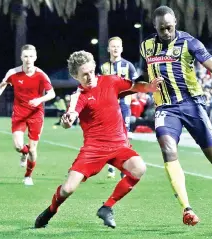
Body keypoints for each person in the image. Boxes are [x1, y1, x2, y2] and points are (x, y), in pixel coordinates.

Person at [139, 6, 212, 226]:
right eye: (161, 28)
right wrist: (137, 87)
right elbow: (147, 74)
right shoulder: (146, 46)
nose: (166, 32)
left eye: (169, 27)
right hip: (165, 107)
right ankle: (187, 209)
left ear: (175, 21)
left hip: (192, 105)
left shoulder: (190, 43)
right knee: (167, 149)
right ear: (154, 27)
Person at [34, 50, 162, 229]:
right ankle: (51, 210)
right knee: (67, 189)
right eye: (84, 75)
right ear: (75, 76)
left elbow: (135, 86)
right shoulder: (79, 96)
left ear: (95, 67)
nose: (89, 77)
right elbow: (71, 115)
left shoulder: (111, 81)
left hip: (119, 146)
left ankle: (107, 207)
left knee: (139, 168)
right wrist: (67, 121)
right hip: (94, 149)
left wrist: (150, 87)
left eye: (91, 72)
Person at [0, 44, 55, 186]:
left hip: (36, 115)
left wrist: (39, 100)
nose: (28, 59)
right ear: (21, 57)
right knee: (18, 146)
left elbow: (52, 94)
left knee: (33, 149)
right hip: (19, 113)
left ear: (35, 57)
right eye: (25, 56)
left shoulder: (41, 75)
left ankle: (28, 176)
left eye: (31, 56)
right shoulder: (13, 73)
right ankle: (23, 154)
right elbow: (2, 85)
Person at [100, 36, 139, 179]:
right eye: (113, 46)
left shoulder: (128, 66)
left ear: (121, 49)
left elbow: (136, 85)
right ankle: (112, 164)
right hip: (109, 107)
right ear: (109, 49)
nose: (115, 49)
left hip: (123, 105)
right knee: (110, 136)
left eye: (118, 46)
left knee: (124, 136)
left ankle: (124, 167)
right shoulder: (103, 67)